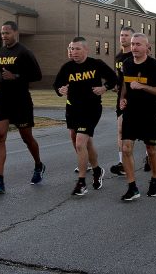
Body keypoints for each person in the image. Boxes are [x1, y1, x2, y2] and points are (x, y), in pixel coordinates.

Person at [53, 37, 117, 195]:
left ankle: (81, 182)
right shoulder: (67, 67)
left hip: (91, 108)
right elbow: (57, 84)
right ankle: (96, 170)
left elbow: (114, 78)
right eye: (72, 49)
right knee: (81, 141)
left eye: (77, 49)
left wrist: (104, 88)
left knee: (80, 143)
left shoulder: (96, 64)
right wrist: (61, 90)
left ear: (86, 50)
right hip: (72, 109)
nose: (73, 52)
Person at [0, 21, 44, 194]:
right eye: (2, 33)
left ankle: (38, 165)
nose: (4, 36)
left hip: (21, 100)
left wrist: (16, 76)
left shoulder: (25, 52)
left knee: (27, 138)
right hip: (3, 98)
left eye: (7, 33)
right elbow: (0, 74)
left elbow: (37, 75)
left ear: (16, 33)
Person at [119, 33, 156, 201]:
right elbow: (125, 85)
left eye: (138, 44)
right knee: (126, 148)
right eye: (132, 44)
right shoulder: (126, 64)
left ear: (147, 47)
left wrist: (143, 86)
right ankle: (132, 187)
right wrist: (122, 99)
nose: (134, 47)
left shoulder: (154, 66)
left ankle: (154, 179)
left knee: (151, 150)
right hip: (131, 112)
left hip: (149, 112)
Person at [109, 26, 134, 176]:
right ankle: (122, 163)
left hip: (136, 97)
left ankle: (148, 155)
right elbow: (119, 77)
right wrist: (116, 86)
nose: (122, 37)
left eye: (126, 35)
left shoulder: (135, 55)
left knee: (138, 132)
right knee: (120, 129)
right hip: (121, 98)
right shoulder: (118, 57)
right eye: (121, 35)